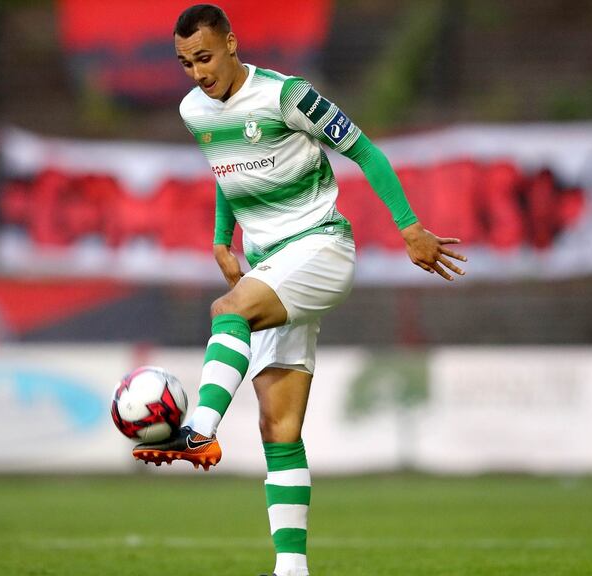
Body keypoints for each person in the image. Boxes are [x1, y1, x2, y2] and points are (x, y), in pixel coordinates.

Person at [132, 5, 467, 576]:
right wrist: (222, 238)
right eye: (186, 63)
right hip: (270, 266)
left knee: (228, 309)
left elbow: (364, 150)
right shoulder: (194, 110)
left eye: (205, 57)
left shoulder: (289, 96)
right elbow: (228, 172)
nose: (198, 72)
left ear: (231, 44)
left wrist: (409, 226)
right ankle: (292, 569)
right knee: (279, 428)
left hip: (320, 248)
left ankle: (199, 430)